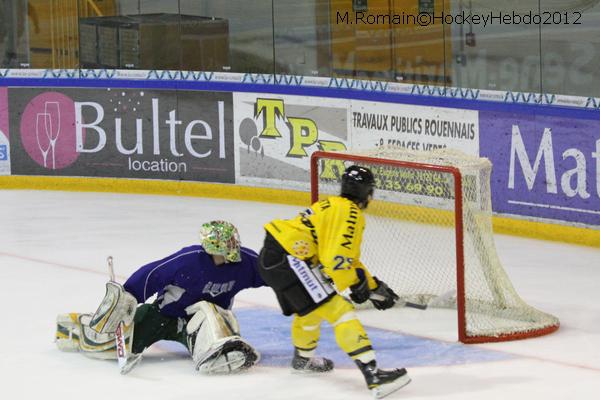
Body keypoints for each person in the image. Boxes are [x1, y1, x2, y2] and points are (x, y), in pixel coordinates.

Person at [258, 165, 411, 399]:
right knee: (340, 310)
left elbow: (348, 260)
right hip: (292, 259)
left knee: (310, 310)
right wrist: (357, 287)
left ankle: (303, 360)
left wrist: (372, 286)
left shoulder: (330, 204)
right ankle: (374, 376)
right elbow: (336, 261)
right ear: (368, 194)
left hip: (273, 256)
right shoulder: (351, 213)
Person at [56, 220, 265, 375]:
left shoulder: (245, 263)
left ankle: (219, 349)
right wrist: (128, 298)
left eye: (233, 239)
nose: (233, 244)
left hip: (202, 321)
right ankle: (81, 327)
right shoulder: (189, 261)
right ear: (214, 245)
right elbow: (151, 274)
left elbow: (271, 273)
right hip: (164, 316)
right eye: (228, 241)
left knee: (208, 311)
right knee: (106, 346)